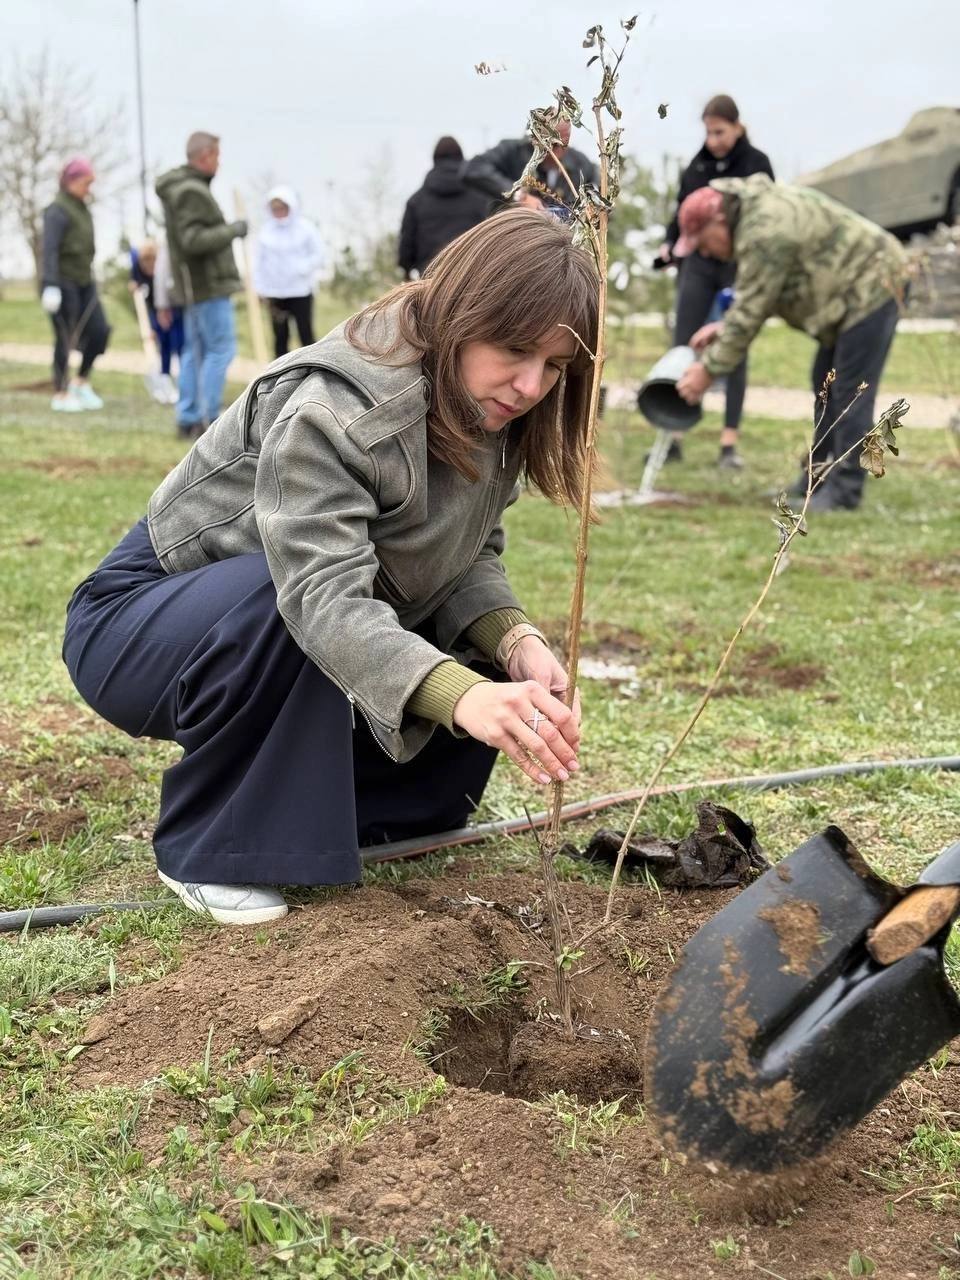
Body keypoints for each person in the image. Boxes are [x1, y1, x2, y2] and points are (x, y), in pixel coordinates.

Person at [62, 209, 595, 926]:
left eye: (555, 366)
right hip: (137, 623)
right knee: (284, 596)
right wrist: (460, 697)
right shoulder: (340, 409)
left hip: (273, 605)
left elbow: (461, 554)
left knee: (481, 668)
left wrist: (513, 641)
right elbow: (319, 596)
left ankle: (364, 813)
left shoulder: (488, 402)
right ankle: (209, 846)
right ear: (463, 314)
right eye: (515, 350)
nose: (532, 385)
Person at [674, 176, 909, 512]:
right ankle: (817, 480)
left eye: (702, 241)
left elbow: (754, 306)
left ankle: (844, 493)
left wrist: (707, 371)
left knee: (849, 392)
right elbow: (764, 291)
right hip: (851, 295)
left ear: (719, 220)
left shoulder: (764, 231)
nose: (705, 252)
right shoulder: (756, 219)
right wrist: (726, 325)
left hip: (875, 285)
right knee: (825, 384)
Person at [660, 95, 774, 469]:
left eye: (720, 131)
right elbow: (682, 210)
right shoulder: (697, 165)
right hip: (698, 265)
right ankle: (673, 435)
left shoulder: (756, 165)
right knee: (684, 342)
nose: (714, 139)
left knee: (734, 341)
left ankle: (729, 445)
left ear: (737, 126)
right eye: (709, 132)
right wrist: (668, 243)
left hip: (734, 266)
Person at [155, 131, 248, 438]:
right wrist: (232, 230)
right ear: (206, 155)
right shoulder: (191, 191)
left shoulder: (182, 188)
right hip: (207, 285)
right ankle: (208, 417)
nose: (219, 163)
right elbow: (193, 240)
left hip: (194, 287)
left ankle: (189, 417)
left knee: (194, 351)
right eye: (217, 156)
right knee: (219, 349)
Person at [40, 157, 112, 413]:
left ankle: (81, 381)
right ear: (71, 181)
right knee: (64, 337)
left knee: (100, 330)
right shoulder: (57, 210)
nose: (88, 188)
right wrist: (50, 284)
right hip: (61, 282)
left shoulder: (82, 207)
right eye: (85, 183)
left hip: (85, 282)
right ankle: (60, 393)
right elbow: (48, 250)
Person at [463, 117, 598, 216]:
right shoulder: (513, 152)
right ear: (536, 139)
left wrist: (590, 210)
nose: (557, 153)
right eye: (551, 144)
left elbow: (599, 193)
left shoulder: (580, 164)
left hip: (560, 242)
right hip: (511, 236)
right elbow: (473, 169)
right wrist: (519, 196)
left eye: (564, 144)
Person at [398, 137, 488, 278]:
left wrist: (408, 275)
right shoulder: (481, 198)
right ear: (461, 158)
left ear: (435, 160)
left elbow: (405, 254)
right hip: (471, 278)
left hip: (430, 281)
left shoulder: (415, 202)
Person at [253, 185, 325, 358]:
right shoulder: (265, 232)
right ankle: (279, 375)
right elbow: (258, 263)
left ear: (290, 207)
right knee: (280, 336)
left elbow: (319, 254)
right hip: (275, 293)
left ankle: (311, 369)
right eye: (274, 209)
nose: (278, 212)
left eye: (282, 208)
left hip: (300, 291)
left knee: (305, 333)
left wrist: (303, 268)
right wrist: (259, 288)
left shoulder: (306, 228)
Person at [130, 238, 184, 404]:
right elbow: (141, 292)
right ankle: (165, 379)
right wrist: (153, 327)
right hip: (156, 311)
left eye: (152, 264)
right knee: (164, 345)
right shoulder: (138, 269)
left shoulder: (165, 269)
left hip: (174, 309)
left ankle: (183, 382)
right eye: (146, 266)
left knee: (179, 344)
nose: (150, 269)